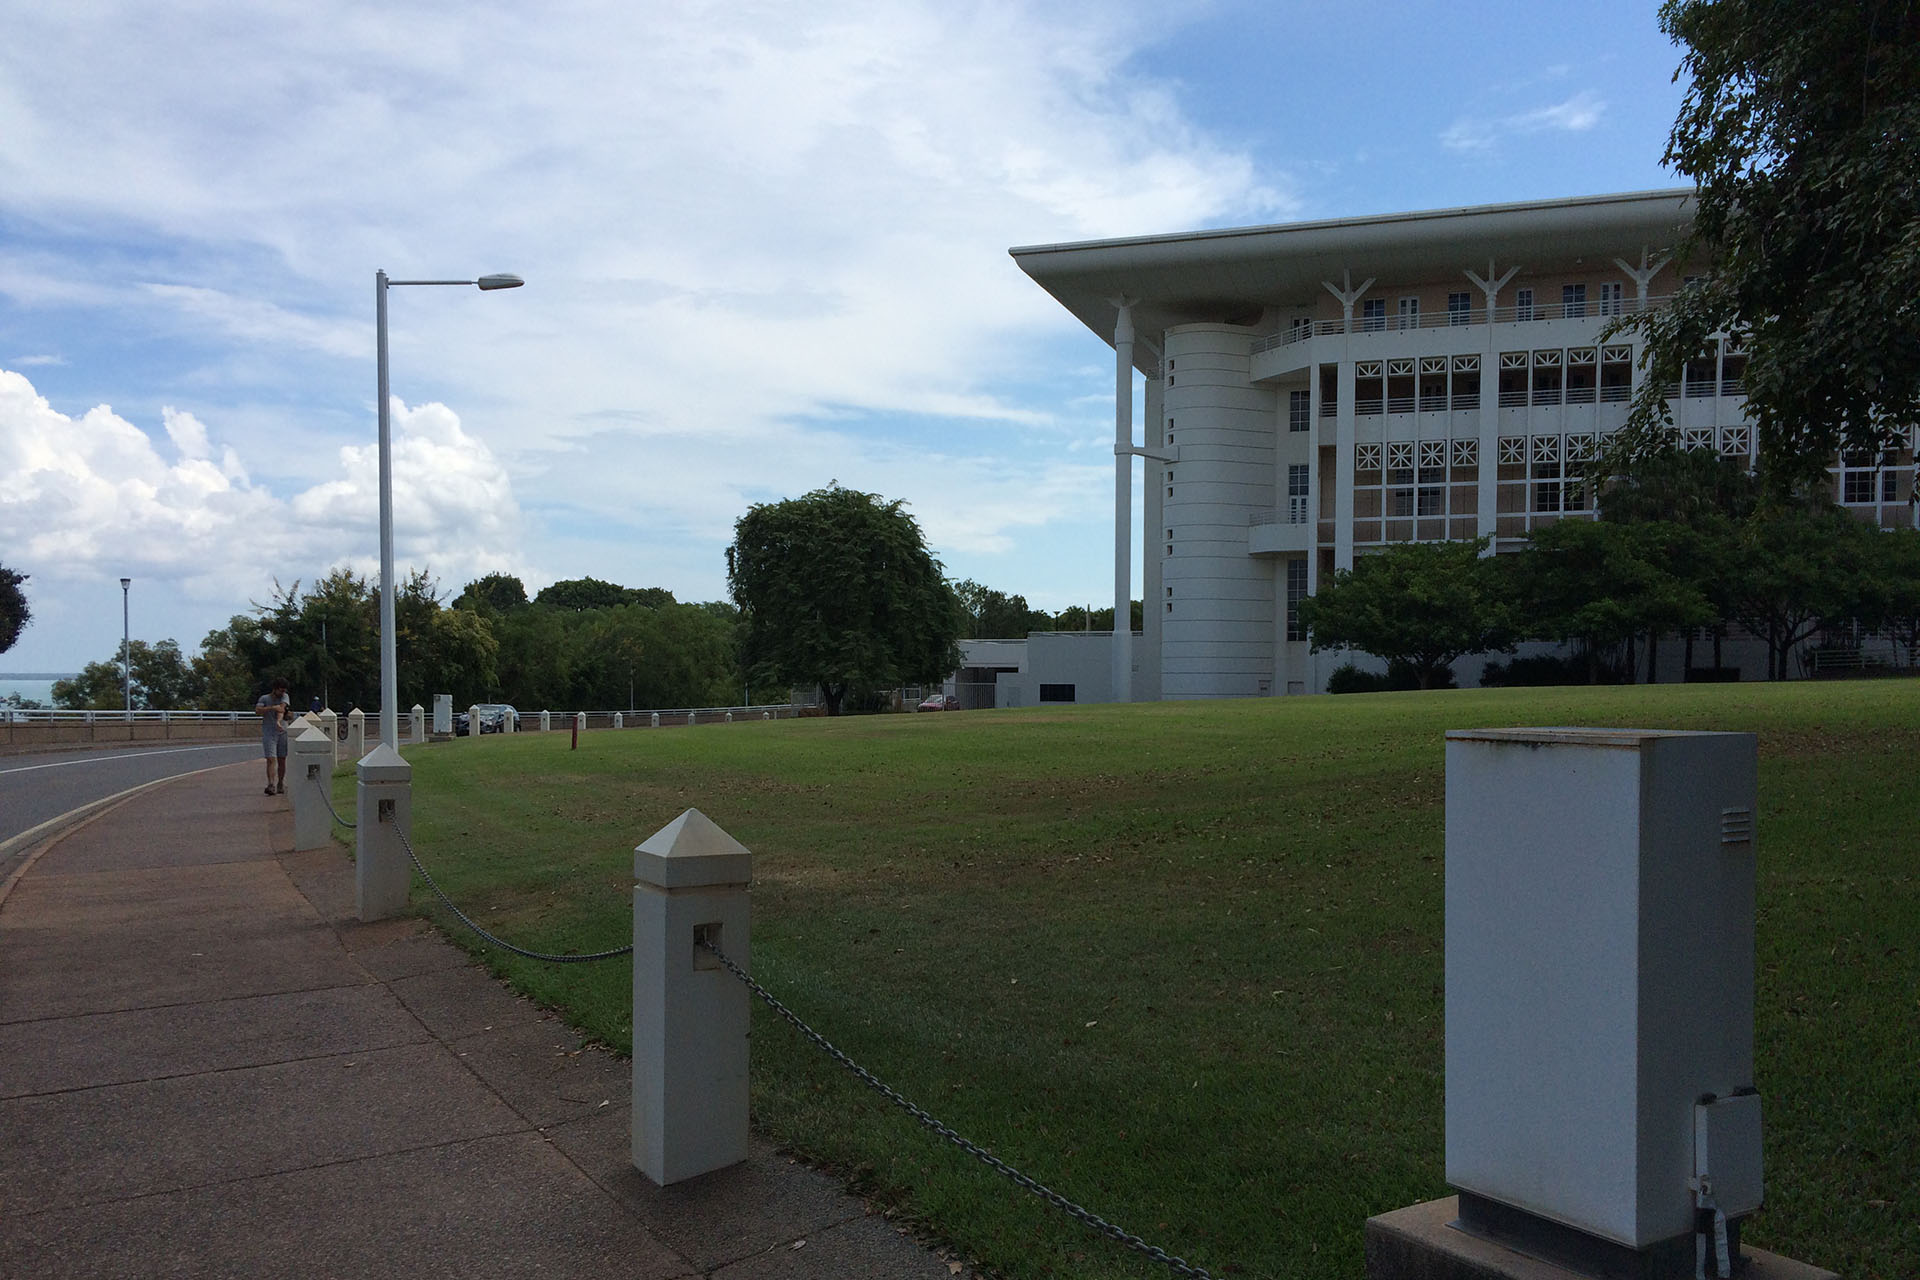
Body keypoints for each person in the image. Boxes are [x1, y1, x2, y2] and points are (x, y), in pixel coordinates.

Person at [256, 677, 292, 795]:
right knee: (271, 759)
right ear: (275, 689)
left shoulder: (285, 697)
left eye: (284, 690)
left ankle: (280, 782)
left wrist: (278, 721)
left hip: (282, 731)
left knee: (282, 759)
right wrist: (271, 708)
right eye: (280, 690)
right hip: (269, 731)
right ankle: (271, 784)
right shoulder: (264, 698)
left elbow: (281, 709)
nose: (282, 693)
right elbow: (258, 710)